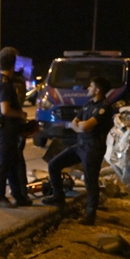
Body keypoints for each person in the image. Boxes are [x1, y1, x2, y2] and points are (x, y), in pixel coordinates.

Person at [41, 75, 115, 225]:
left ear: (97, 90)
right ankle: (58, 196)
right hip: (80, 145)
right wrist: (80, 126)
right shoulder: (88, 105)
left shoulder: (104, 108)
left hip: (93, 149)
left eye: (91, 86)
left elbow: (85, 126)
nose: (88, 88)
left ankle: (90, 213)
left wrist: (80, 126)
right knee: (53, 164)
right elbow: (75, 123)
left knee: (90, 181)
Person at [0, 47, 31, 208]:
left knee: (12, 163)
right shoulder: (5, 85)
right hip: (4, 130)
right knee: (3, 164)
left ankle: (18, 196)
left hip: (3, 129)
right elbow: (5, 110)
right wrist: (21, 115)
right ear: (13, 65)